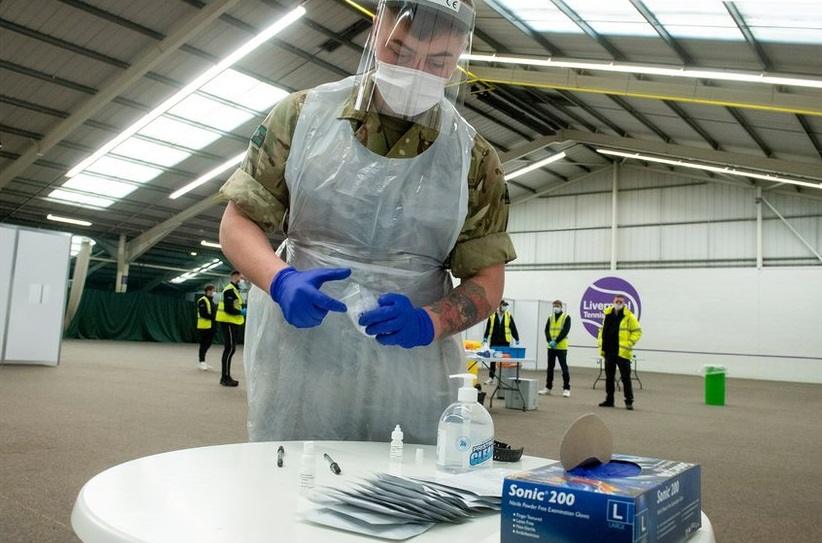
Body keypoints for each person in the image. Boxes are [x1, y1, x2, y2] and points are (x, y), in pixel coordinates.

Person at [218, 0, 516, 444]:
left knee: (404, 484)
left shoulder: (472, 159)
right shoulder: (303, 117)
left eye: (437, 62)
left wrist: (430, 321)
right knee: (292, 476)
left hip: (410, 361)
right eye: (399, 50)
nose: (414, 70)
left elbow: (487, 279)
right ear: (377, 29)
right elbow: (237, 222)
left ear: (459, 58)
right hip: (303, 349)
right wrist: (280, 280)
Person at [597, 295, 642, 410]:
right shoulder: (607, 314)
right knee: (609, 377)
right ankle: (609, 400)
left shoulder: (629, 316)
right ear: (613, 302)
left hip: (622, 352)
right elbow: (602, 331)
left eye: (620, 301)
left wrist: (629, 343)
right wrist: (601, 344)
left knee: (626, 378)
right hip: (609, 351)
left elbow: (637, 332)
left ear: (624, 303)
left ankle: (629, 401)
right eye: (616, 301)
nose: (618, 303)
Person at [215, 271, 246, 387]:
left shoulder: (235, 290)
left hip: (232, 321)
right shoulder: (229, 290)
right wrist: (241, 312)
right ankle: (225, 377)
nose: (243, 281)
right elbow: (228, 309)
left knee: (230, 349)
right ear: (235, 276)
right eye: (241, 277)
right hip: (227, 321)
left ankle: (226, 376)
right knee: (229, 349)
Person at [482, 300, 519, 385]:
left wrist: (517, 338)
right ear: (499, 306)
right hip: (494, 341)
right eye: (503, 305)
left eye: (505, 305)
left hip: (504, 341)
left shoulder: (508, 316)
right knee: (493, 360)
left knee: (504, 360)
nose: (505, 307)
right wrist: (485, 338)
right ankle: (491, 378)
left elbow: (513, 328)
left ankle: (502, 378)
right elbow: (488, 328)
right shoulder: (492, 316)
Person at [539, 299, 571, 397]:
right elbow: (546, 330)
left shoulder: (566, 317)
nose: (555, 308)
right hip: (551, 347)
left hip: (561, 347)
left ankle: (566, 388)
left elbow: (565, 331)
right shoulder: (550, 317)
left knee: (564, 368)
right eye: (554, 306)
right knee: (550, 368)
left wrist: (556, 341)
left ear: (561, 307)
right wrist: (549, 341)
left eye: (557, 306)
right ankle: (548, 387)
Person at [196, 284, 217, 370]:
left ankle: (203, 361)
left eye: (213, 290)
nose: (212, 292)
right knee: (204, 344)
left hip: (211, 326)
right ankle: (201, 362)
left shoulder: (212, 301)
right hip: (204, 326)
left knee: (208, 344)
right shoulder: (202, 300)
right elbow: (203, 314)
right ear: (207, 291)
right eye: (211, 290)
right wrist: (215, 317)